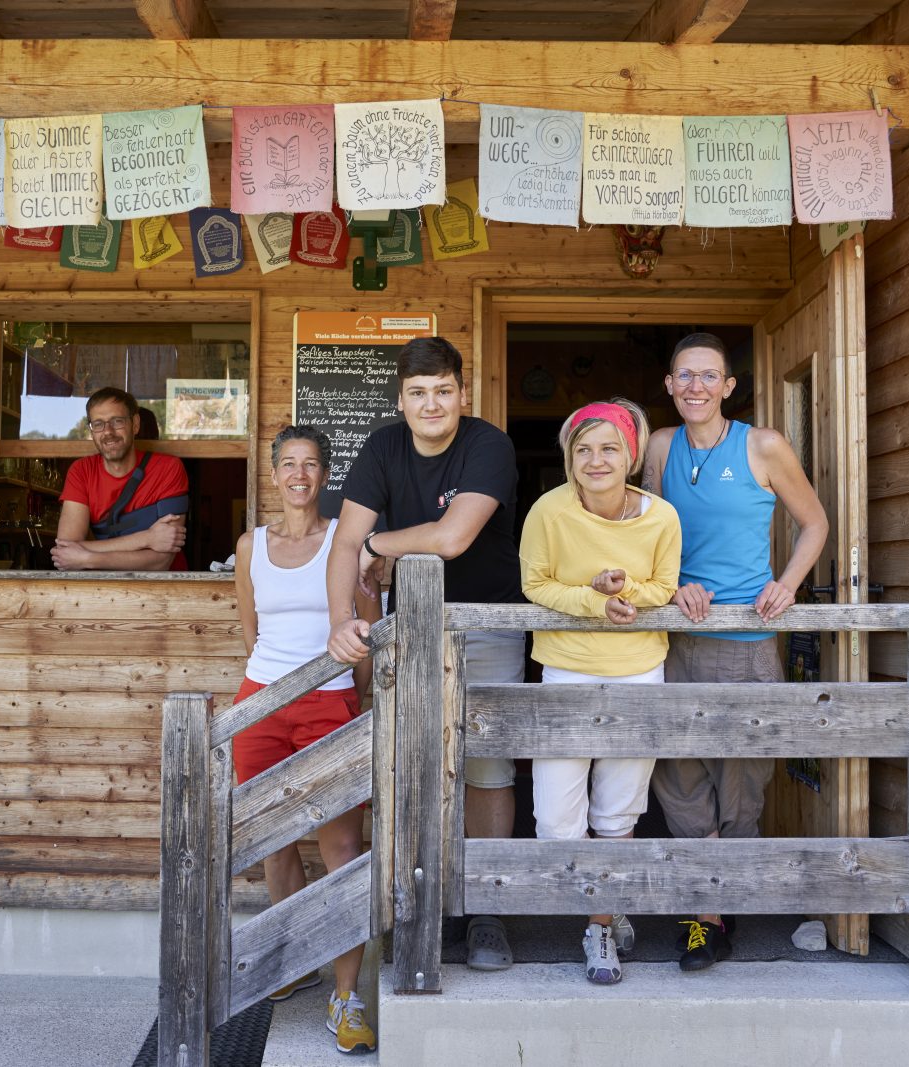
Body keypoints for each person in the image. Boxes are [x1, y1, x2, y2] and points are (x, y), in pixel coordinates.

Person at [325, 336, 524, 973]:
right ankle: (421, 907)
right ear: (401, 400)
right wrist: (340, 623)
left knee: (486, 770)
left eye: (443, 390)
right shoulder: (383, 444)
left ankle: (489, 912)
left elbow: (451, 537)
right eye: (417, 393)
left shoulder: (487, 443)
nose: (431, 403)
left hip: (486, 625)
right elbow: (341, 544)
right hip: (408, 632)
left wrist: (377, 546)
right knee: (410, 766)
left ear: (462, 393)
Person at [641, 332, 828, 971]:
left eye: (708, 376)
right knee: (678, 771)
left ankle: (714, 916)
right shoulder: (660, 447)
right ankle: (705, 905)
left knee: (743, 783)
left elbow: (816, 523)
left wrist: (787, 583)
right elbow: (642, 533)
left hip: (747, 641)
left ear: (728, 387)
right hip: (673, 638)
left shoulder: (763, 445)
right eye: (683, 375)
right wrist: (670, 583)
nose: (695, 386)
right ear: (669, 385)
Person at [520, 399, 680, 984]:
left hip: (639, 668)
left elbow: (664, 586)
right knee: (556, 821)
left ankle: (601, 925)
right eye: (582, 449)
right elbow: (534, 583)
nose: (595, 459)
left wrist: (626, 589)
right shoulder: (548, 510)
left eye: (609, 447)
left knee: (619, 809)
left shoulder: (662, 516)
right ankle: (606, 903)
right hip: (565, 667)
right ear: (568, 457)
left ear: (631, 455)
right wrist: (593, 596)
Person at [233, 426, 380, 1055]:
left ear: (326, 475)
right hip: (262, 703)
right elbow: (251, 627)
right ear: (274, 474)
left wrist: (346, 690)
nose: (300, 474)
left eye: (311, 464)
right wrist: (271, 691)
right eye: (289, 464)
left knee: (343, 848)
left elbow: (369, 633)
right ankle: (292, 961)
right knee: (273, 842)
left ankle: (346, 995)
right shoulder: (250, 546)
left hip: (331, 700)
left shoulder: (346, 545)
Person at [50, 386, 189, 572]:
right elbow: (65, 550)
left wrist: (87, 558)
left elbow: (160, 561)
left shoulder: (168, 468)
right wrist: (147, 538)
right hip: (104, 592)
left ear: (135, 424)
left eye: (117, 421)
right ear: (91, 431)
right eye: (98, 424)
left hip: (166, 591)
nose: (108, 432)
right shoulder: (81, 471)